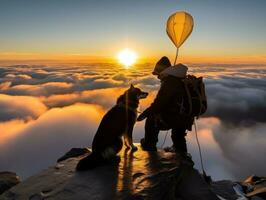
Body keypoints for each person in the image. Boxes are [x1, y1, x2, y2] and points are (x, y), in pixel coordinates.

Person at [137, 56, 194, 157]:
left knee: (151, 120)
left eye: (158, 74)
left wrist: (144, 114)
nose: (158, 77)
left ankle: (149, 146)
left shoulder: (169, 82)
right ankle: (181, 153)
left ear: (162, 71)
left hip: (175, 117)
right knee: (178, 135)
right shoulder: (179, 78)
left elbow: (159, 104)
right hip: (186, 117)